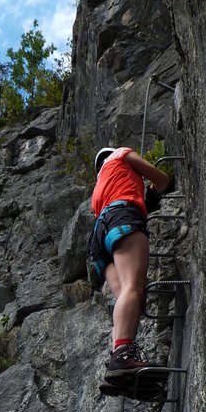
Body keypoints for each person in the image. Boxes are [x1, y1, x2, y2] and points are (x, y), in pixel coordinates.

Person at [89, 146, 170, 382]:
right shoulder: (121, 154)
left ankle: (121, 358)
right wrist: (151, 195)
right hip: (122, 217)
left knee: (127, 295)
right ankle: (123, 356)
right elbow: (162, 180)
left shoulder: (99, 189)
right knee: (132, 288)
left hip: (99, 237)